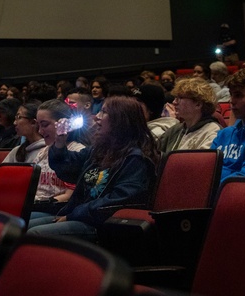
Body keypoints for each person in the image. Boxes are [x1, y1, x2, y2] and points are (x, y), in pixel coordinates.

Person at [27, 97, 159, 240]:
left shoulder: (135, 159)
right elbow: (67, 167)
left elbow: (119, 200)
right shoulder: (98, 151)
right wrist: (60, 141)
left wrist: (74, 215)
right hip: (79, 215)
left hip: (101, 223)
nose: (97, 117)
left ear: (120, 120)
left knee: (34, 234)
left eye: (104, 112)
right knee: (21, 225)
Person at [158, 79, 222, 153]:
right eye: (175, 98)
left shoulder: (213, 131)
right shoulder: (175, 129)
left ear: (198, 104)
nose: (174, 102)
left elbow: (202, 162)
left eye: (180, 98)